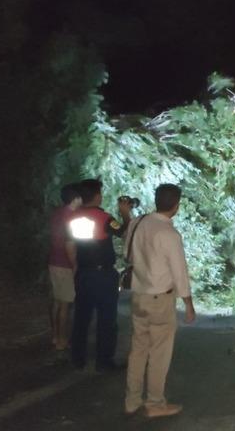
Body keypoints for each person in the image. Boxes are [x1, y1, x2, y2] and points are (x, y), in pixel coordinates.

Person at [124, 183, 195, 418]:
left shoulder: (138, 223)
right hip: (159, 300)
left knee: (138, 350)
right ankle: (155, 403)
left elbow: (127, 254)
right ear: (176, 205)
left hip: (138, 295)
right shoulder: (169, 234)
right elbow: (179, 272)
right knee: (159, 353)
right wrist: (188, 303)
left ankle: (132, 400)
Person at [66, 179, 132, 371]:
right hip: (103, 274)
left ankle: (78, 358)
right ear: (97, 196)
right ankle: (104, 362)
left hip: (83, 273)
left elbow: (70, 244)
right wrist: (125, 214)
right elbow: (123, 232)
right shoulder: (103, 218)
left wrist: (75, 268)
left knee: (81, 318)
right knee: (107, 319)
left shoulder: (73, 218)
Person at [48, 183, 82, 351]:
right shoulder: (71, 217)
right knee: (65, 304)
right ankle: (62, 340)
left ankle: (55, 336)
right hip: (65, 263)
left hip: (53, 261)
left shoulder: (57, 213)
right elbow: (70, 244)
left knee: (56, 301)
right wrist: (74, 264)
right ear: (75, 199)